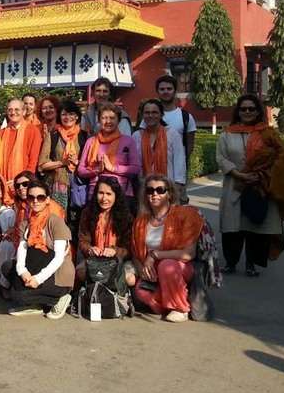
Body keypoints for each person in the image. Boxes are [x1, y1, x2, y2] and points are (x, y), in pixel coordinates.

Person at [216, 94, 284, 277]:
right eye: (243, 109)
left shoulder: (268, 133)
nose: (247, 112)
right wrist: (238, 173)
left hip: (260, 185)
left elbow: (281, 157)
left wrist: (260, 175)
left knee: (255, 227)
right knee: (232, 227)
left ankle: (251, 263)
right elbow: (221, 157)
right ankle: (231, 263)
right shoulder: (227, 133)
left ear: (258, 111)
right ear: (238, 111)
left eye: (251, 109)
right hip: (234, 185)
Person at [131, 175, 203, 322]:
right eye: (150, 190)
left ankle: (180, 308)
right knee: (141, 292)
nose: (154, 194)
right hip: (152, 269)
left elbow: (188, 254)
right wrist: (142, 269)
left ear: (169, 194)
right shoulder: (141, 221)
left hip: (180, 265)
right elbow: (135, 252)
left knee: (167, 266)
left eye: (160, 190)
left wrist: (155, 255)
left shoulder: (184, 215)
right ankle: (168, 301)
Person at [9, 181, 74, 319]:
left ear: (48, 200)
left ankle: (61, 298)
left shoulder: (55, 222)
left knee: (19, 294)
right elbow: (22, 249)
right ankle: (36, 305)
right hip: (36, 266)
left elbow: (59, 257)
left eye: (40, 197)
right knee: (8, 270)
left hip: (58, 274)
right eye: (31, 197)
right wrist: (23, 272)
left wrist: (38, 279)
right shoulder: (27, 223)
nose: (36, 201)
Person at [78, 103, 141, 212]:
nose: (108, 122)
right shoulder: (91, 141)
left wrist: (113, 168)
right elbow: (81, 170)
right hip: (96, 193)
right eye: (104, 118)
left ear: (119, 120)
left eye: (112, 118)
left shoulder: (128, 141)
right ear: (99, 120)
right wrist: (96, 170)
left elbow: (136, 168)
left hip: (121, 192)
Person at [75, 176, 134, 287]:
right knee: (80, 273)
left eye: (108, 194)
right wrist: (90, 249)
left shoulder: (126, 216)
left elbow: (129, 248)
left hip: (119, 260)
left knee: (130, 279)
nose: (104, 198)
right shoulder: (88, 213)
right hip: (95, 260)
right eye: (101, 193)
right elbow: (83, 241)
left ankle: (121, 299)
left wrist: (115, 251)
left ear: (116, 196)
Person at [38, 99, 85, 212]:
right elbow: (42, 164)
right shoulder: (53, 136)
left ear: (77, 116)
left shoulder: (84, 136)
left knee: (77, 219)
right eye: (64, 114)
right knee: (58, 217)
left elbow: (88, 163)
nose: (67, 117)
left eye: (71, 114)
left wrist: (77, 162)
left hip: (78, 185)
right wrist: (62, 163)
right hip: (57, 185)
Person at [156, 75, 196, 203]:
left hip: (177, 174)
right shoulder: (151, 115)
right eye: (162, 89)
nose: (166, 91)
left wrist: (180, 165)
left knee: (177, 210)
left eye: (169, 88)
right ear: (157, 92)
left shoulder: (186, 117)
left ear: (174, 91)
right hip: (154, 172)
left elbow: (189, 145)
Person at [132, 99, 186, 189]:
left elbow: (179, 161)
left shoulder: (172, 135)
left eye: (154, 112)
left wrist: (178, 185)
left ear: (161, 114)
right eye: (147, 112)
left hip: (167, 188)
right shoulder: (136, 136)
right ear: (142, 115)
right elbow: (134, 164)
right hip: (143, 188)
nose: (150, 115)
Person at [0, 99, 43, 191]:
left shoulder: (33, 131)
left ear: (23, 112)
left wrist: (21, 181)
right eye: (10, 110)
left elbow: (33, 160)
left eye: (17, 110)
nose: (13, 112)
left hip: (23, 184)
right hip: (3, 182)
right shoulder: (1, 133)